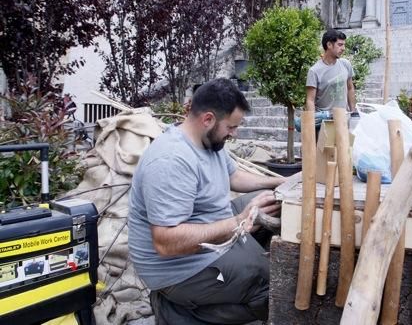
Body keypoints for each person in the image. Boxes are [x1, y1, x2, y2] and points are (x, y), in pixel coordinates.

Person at [128, 78, 286, 324]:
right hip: (178, 268)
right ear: (208, 119)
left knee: (277, 205)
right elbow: (166, 243)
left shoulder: (210, 142)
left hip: (206, 224)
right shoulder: (171, 160)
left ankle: (235, 275)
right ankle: (181, 312)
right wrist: (239, 221)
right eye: (231, 127)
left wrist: (279, 185)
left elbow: (234, 176)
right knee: (277, 286)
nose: (234, 133)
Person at [303, 30, 357, 131]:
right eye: (340, 45)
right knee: (324, 147)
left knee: (344, 147)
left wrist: (353, 111)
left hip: (343, 120)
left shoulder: (345, 64)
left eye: (344, 45)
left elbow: (350, 88)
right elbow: (310, 100)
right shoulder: (314, 71)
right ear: (329, 45)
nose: (343, 48)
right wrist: (312, 122)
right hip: (324, 123)